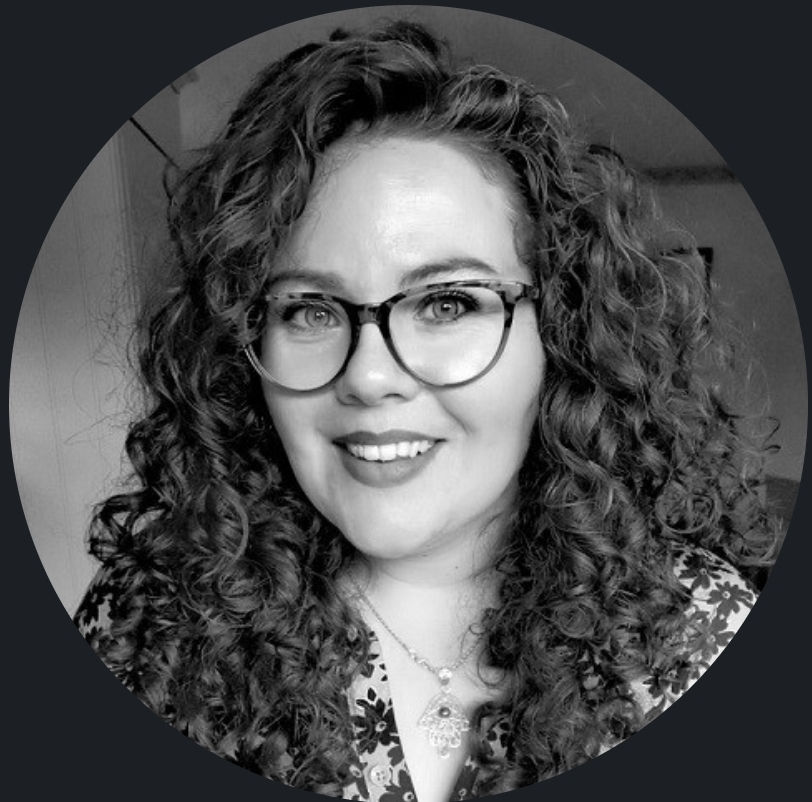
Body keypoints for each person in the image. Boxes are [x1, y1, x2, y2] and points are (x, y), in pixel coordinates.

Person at [74, 21, 777, 801]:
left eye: (447, 302)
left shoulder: (704, 635)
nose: (370, 377)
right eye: (308, 308)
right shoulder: (147, 628)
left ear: (562, 332)